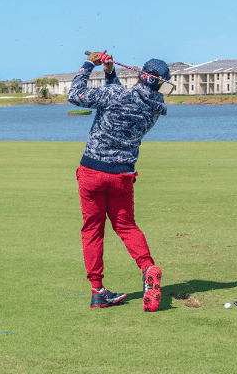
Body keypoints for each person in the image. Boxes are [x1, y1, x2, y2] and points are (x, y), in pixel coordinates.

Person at [67, 51, 170, 311]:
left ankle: (97, 291)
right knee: (126, 226)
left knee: (92, 230)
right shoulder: (154, 107)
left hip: (92, 172)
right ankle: (147, 267)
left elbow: (75, 94)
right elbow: (124, 96)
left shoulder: (117, 95)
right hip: (122, 175)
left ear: (141, 74)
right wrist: (110, 73)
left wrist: (89, 64)